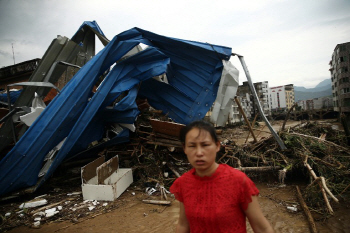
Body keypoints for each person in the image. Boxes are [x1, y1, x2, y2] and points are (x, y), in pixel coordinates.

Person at [170, 120, 275, 233]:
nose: (199, 152)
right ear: (184, 148)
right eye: (192, 146)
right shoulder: (183, 183)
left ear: (217, 146)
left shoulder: (238, 181)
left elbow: (261, 228)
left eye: (205, 145)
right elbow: (183, 225)